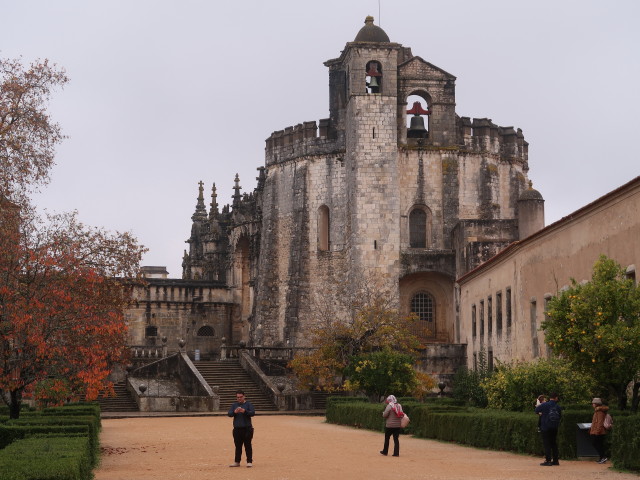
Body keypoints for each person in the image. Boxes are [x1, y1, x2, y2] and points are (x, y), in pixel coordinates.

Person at [228, 390, 255, 468]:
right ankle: (237, 461)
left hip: (247, 429)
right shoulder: (234, 405)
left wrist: (245, 411)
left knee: (248, 445)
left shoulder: (248, 404)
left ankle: (249, 461)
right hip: (237, 429)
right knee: (238, 446)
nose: (239, 399)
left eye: (240, 397)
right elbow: (229, 414)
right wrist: (234, 412)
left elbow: (252, 413)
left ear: (244, 396)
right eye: (238, 397)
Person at [534, 392, 562, 466]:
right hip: (554, 427)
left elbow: (536, 410)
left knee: (547, 444)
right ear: (555, 398)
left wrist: (540, 411)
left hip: (545, 427)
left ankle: (548, 460)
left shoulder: (544, 405)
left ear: (550, 397)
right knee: (554, 443)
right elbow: (560, 416)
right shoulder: (558, 407)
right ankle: (556, 460)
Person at [589, 397, 609, 464]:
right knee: (598, 444)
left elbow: (600, 423)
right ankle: (602, 457)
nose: (592, 404)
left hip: (599, 432)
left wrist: (597, 432)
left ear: (596, 404)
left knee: (596, 444)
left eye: (593, 403)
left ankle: (603, 457)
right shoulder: (597, 411)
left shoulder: (599, 412)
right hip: (597, 431)